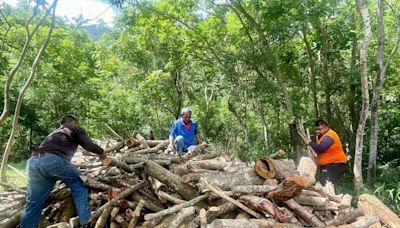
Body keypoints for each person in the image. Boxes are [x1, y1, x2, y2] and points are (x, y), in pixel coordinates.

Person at [20, 115, 109, 228]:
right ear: (73, 122)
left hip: (33, 163)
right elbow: (89, 145)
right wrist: (102, 153)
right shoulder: (73, 128)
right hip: (53, 161)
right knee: (79, 184)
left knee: (33, 203)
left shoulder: (54, 133)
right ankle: (86, 222)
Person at [304, 119, 347, 185]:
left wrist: (310, 142)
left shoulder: (329, 136)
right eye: (316, 129)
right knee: (325, 184)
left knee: (325, 183)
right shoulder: (320, 137)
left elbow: (321, 148)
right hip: (327, 165)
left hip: (336, 164)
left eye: (320, 129)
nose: (317, 131)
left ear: (326, 127)